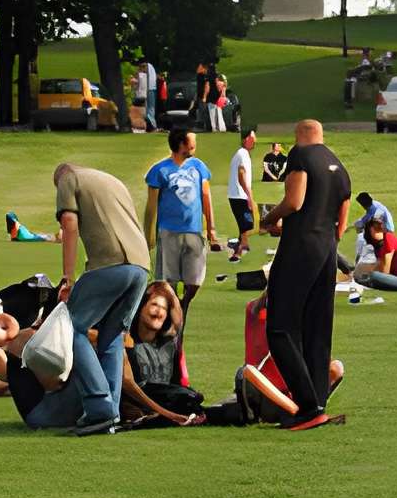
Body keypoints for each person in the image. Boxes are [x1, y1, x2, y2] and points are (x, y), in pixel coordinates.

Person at [25, 163, 151, 433]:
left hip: (109, 265)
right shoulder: (114, 180)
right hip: (141, 267)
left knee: (71, 327)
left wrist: (67, 278)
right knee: (112, 337)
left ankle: (99, 406)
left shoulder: (67, 179)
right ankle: (111, 412)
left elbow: (69, 225)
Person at [262, 118, 351, 428]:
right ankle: (319, 402)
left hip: (300, 247)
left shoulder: (300, 156)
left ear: (298, 137)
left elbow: (295, 200)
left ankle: (307, 406)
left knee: (280, 327)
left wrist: (269, 218)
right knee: (317, 328)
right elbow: (341, 219)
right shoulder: (338, 165)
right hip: (327, 249)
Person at [143, 127, 220, 316]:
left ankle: (182, 305)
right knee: (167, 284)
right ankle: (171, 323)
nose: (196, 142)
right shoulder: (159, 170)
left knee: (194, 282)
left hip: (194, 231)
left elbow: (205, 196)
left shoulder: (199, 167)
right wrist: (148, 235)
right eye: (192, 139)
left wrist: (211, 228)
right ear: (181, 144)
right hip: (168, 232)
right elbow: (151, 206)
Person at [119, 283, 204, 426]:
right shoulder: (127, 340)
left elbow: (176, 381)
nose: (159, 311)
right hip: (139, 399)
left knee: (190, 397)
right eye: (154, 305)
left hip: (167, 398)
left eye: (164, 308)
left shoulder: (169, 345)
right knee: (188, 398)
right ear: (141, 307)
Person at [358, 218, 397, 292]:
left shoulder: (388, 238)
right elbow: (378, 266)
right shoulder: (379, 247)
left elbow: (385, 272)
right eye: (376, 228)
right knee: (366, 272)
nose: (378, 230)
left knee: (374, 276)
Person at [227, 126, 257, 261]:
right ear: (246, 139)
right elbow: (241, 174)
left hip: (236, 194)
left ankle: (243, 243)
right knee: (246, 223)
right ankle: (241, 248)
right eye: (252, 137)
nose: (255, 140)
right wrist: (249, 195)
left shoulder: (241, 153)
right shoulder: (243, 154)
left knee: (245, 222)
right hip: (239, 194)